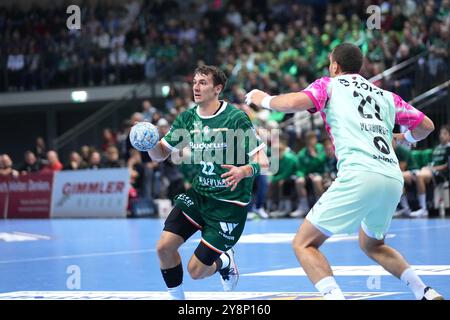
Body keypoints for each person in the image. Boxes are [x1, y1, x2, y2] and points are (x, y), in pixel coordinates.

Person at [245, 43, 443, 300]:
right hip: (392, 178)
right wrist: (404, 135)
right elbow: (426, 126)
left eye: (330, 62)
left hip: (359, 174)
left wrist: (263, 99)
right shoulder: (385, 96)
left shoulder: (328, 84)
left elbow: (292, 102)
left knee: (304, 243)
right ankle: (424, 291)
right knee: (373, 244)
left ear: (335, 65)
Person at [139, 65, 269, 300]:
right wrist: (148, 144)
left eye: (203, 83)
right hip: (199, 196)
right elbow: (161, 154)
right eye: (194, 82)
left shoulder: (236, 118)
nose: (196, 87)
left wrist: (244, 171)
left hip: (229, 205)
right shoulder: (187, 118)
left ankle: (224, 261)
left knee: (196, 271)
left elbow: (264, 161)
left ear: (217, 89)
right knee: (163, 248)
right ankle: (178, 300)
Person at [410, 125, 450, 217]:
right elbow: (433, 162)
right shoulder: (437, 147)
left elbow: (447, 166)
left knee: (419, 176)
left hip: (442, 174)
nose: (441, 135)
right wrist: (428, 167)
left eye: (445, 133)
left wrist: (433, 169)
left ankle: (424, 209)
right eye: (441, 133)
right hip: (432, 171)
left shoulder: (449, 148)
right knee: (415, 174)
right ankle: (411, 207)